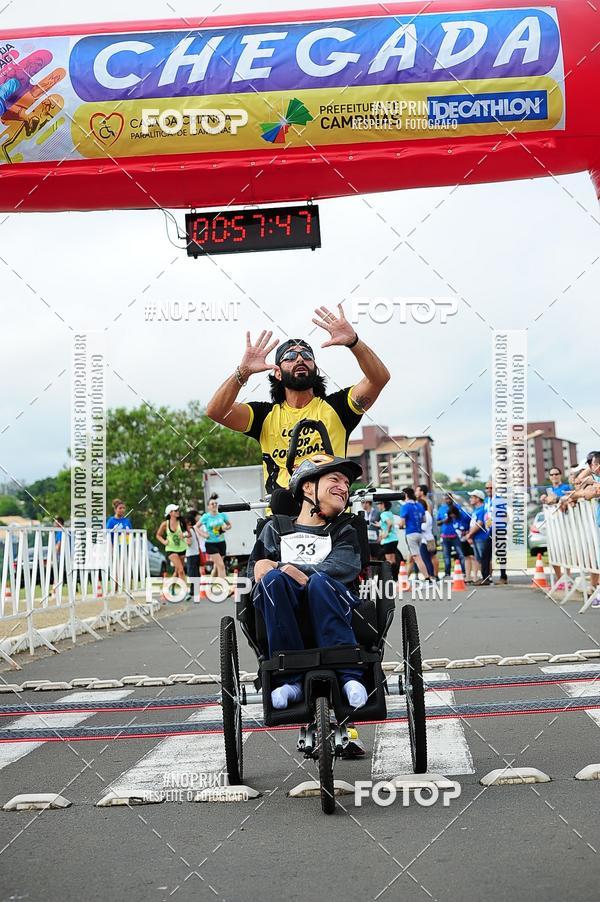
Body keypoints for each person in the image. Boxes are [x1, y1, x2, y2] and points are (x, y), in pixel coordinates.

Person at [206, 306, 390, 494]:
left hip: (332, 517)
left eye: (307, 356)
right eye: (291, 356)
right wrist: (242, 373)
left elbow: (379, 379)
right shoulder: (264, 416)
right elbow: (215, 411)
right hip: (282, 518)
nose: (300, 359)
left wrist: (354, 342)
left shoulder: (338, 407)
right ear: (277, 372)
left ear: (315, 368)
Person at [249, 454, 368, 711]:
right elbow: (257, 572)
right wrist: (279, 573)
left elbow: (340, 569)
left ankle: (349, 676)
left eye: (347, 483)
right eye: (335, 479)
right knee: (272, 582)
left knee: (320, 583)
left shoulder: (344, 530)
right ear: (307, 486)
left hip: (333, 600)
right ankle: (290, 681)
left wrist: (285, 567)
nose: (344, 488)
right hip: (284, 606)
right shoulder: (274, 529)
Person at [397, 487, 429, 580]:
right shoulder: (419, 505)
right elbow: (424, 519)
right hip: (419, 533)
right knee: (410, 558)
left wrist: (399, 525)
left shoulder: (405, 506)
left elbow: (402, 523)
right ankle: (405, 578)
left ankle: (427, 577)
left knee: (417, 557)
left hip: (411, 533)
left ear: (406, 495)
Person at [156, 504, 189, 590]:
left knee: (177, 571)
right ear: (170, 513)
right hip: (171, 549)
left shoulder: (182, 522)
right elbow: (158, 535)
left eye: (178, 510)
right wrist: (164, 541)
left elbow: (188, 533)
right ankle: (185, 591)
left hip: (182, 548)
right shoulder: (165, 524)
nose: (178, 512)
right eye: (175, 511)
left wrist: (184, 535)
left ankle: (171, 587)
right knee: (181, 570)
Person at [200, 495, 231, 580]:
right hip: (211, 544)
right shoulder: (206, 517)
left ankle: (209, 586)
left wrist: (225, 528)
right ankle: (224, 587)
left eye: (215, 503)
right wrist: (203, 534)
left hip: (221, 543)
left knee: (217, 567)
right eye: (212, 504)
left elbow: (229, 525)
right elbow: (195, 527)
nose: (214, 505)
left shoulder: (222, 515)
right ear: (208, 506)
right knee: (221, 565)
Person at [466, 490, 492, 585]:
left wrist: (469, 534)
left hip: (482, 537)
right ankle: (484, 576)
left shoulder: (482, 509)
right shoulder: (476, 510)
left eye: (472, 497)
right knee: (479, 559)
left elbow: (479, 523)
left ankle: (488, 577)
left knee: (485, 558)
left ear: (478, 498)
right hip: (476, 537)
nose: (470, 499)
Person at [437, 494, 466, 577]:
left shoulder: (457, 507)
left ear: (452, 498)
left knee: (461, 555)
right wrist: (444, 521)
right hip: (445, 536)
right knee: (446, 556)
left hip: (456, 536)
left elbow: (463, 519)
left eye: (449, 498)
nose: (448, 500)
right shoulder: (442, 509)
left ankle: (464, 572)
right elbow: (437, 522)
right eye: (446, 499)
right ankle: (447, 574)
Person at [484, 481, 508, 584]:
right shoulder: (487, 501)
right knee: (486, 554)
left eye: (491, 488)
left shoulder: (499, 500)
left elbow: (505, 516)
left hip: (498, 529)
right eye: (487, 488)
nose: (489, 490)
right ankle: (485, 577)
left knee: (500, 554)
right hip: (489, 530)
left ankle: (503, 577)